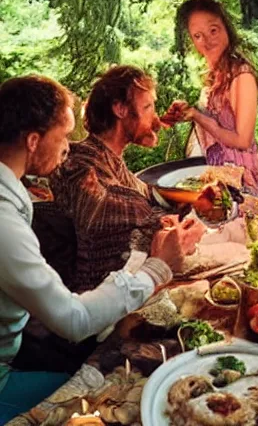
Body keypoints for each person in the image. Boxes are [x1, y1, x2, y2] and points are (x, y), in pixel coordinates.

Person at [0, 75, 173, 421]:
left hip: (22, 348)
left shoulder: (14, 191)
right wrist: (157, 268)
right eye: (63, 136)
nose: (68, 146)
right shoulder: (5, 222)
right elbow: (74, 319)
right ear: (33, 140)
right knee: (115, 396)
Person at [51, 65, 204, 292]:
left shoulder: (108, 158)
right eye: (147, 107)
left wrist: (197, 198)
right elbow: (115, 210)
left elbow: (148, 193)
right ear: (120, 109)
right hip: (104, 300)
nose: (155, 119)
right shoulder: (81, 167)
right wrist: (168, 226)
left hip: (130, 279)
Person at [163, 0, 258, 195]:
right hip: (214, 178)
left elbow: (242, 140)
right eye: (198, 36)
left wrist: (197, 116)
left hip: (237, 184)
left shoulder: (241, 76)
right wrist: (186, 111)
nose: (207, 41)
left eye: (213, 30)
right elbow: (214, 121)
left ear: (227, 28)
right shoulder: (214, 75)